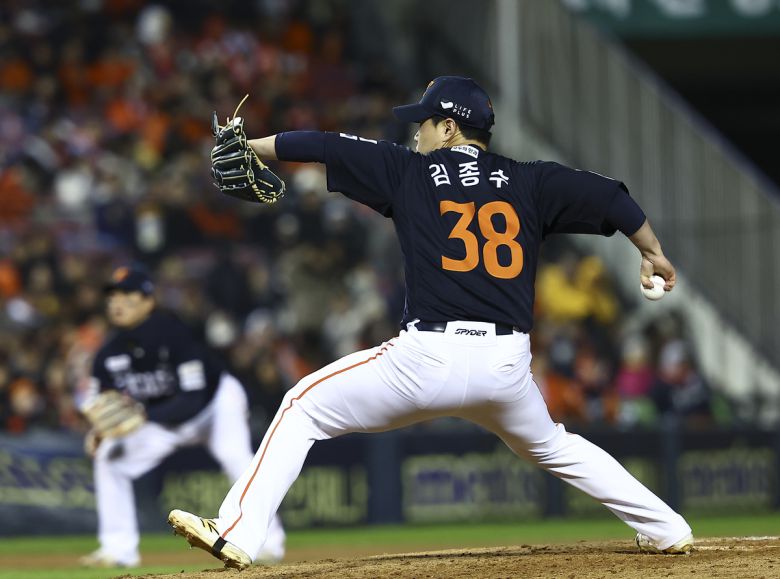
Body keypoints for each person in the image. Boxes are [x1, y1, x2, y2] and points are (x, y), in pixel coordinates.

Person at [169, 76, 693, 569]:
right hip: (506, 368)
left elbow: (323, 145)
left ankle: (238, 532)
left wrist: (251, 145)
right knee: (556, 446)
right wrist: (652, 252)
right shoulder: (532, 180)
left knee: (302, 406)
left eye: (423, 122)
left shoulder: (410, 171)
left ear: (448, 128)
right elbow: (610, 197)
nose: (415, 132)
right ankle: (667, 528)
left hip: (426, 361)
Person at [79, 265, 285, 568]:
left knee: (236, 459)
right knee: (110, 457)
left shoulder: (174, 333)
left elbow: (192, 399)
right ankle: (117, 549)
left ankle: (270, 542)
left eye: (126, 294)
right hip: (162, 420)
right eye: (112, 296)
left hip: (215, 405)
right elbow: (102, 403)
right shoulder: (107, 353)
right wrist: (99, 431)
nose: (117, 302)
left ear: (148, 300)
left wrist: (143, 416)